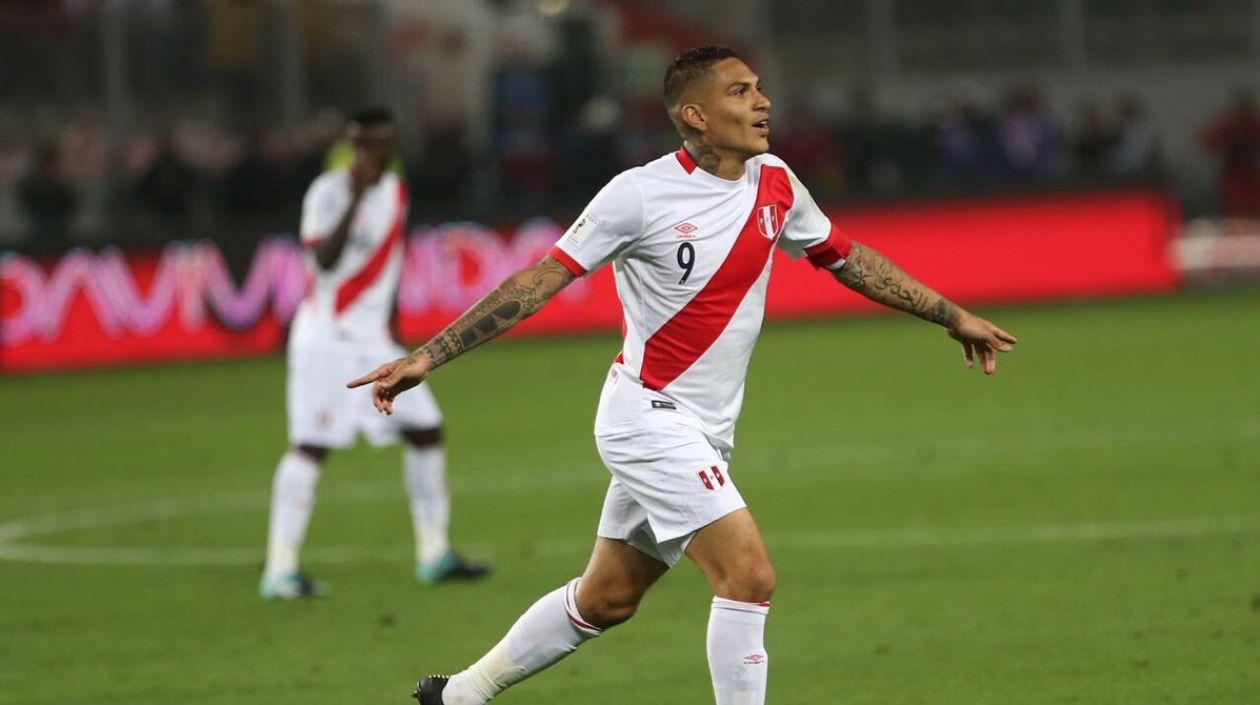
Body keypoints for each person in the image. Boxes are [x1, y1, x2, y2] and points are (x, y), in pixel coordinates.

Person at [349, 47, 1018, 704]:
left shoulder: (777, 182)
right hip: (646, 417)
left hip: (704, 431)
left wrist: (949, 314)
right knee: (749, 574)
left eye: (759, 87)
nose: (762, 101)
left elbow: (847, 258)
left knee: (606, 598)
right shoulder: (638, 195)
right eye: (740, 91)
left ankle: (462, 692)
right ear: (695, 115)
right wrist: (427, 356)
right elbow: (539, 280)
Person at [260, 108, 489, 599]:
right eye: (361, 144)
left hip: (374, 339)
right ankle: (280, 570)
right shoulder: (327, 191)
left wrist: (396, 336)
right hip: (327, 336)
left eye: (379, 143)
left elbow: (387, 269)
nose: (369, 152)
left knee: (426, 429)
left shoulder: (398, 192)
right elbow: (322, 259)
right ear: (351, 145)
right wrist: (356, 197)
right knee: (312, 445)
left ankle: (433, 554)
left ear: (391, 146)